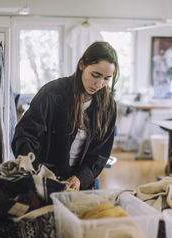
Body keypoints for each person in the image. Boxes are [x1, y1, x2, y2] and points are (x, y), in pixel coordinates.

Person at [12, 41, 119, 191]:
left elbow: (100, 154)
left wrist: (80, 177)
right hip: (43, 179)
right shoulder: (52, 93)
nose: (99, 83)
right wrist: (36, 171)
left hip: (81, 184)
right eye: (95, 75)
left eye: (107, 79)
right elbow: (25, 136)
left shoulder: (108, 106)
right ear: (82, 65)